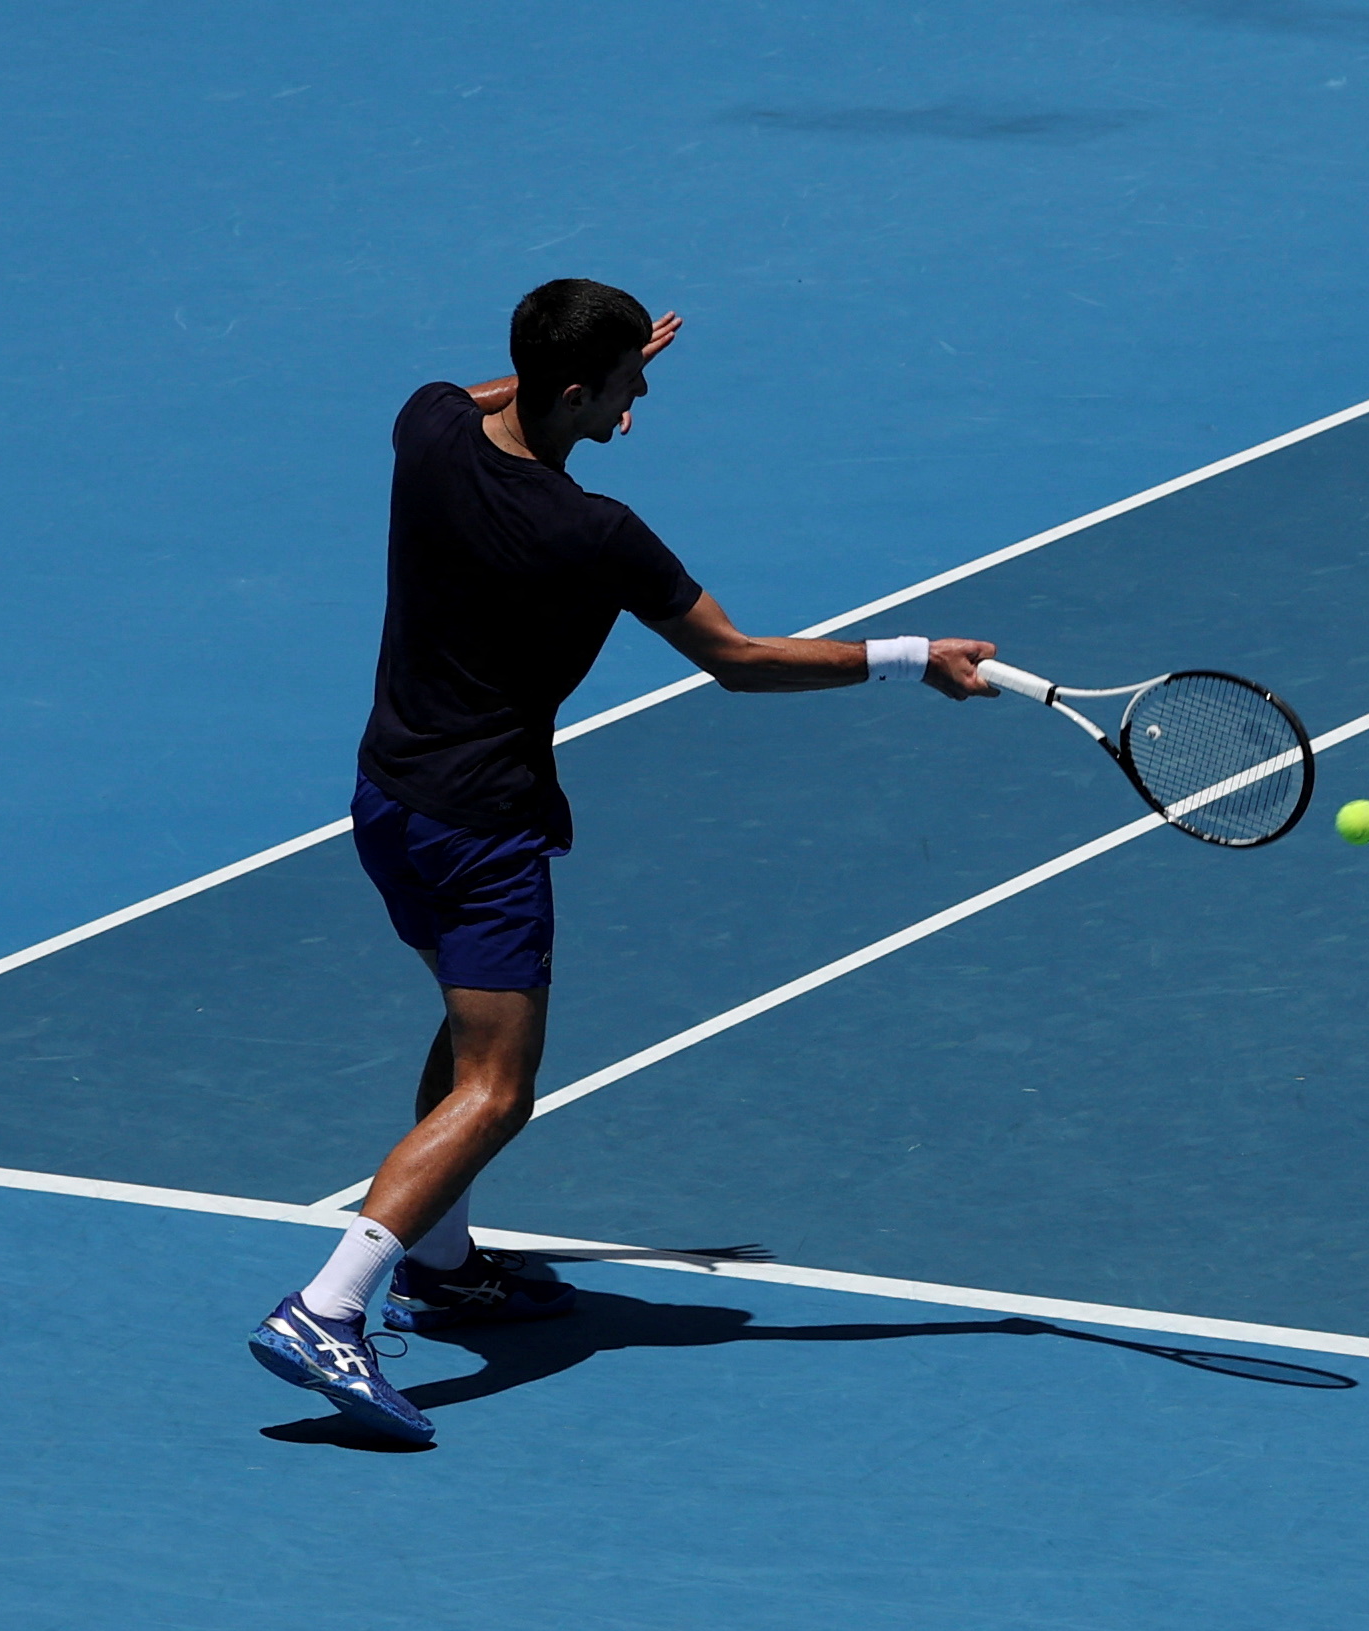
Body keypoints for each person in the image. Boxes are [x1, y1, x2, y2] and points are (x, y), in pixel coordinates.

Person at [250, 281, 995, 1445]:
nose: (641, 398)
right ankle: (329, 1305)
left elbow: (490, 389)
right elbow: (741, 661)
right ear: (572, 388)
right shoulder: (595, 535)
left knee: (465, 1027)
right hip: (484, 829)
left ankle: (442, 1262)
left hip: (387, 801)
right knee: (498, 1089)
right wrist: (910, 656)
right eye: (625, 382)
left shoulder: (426, 424)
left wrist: (571, 362)